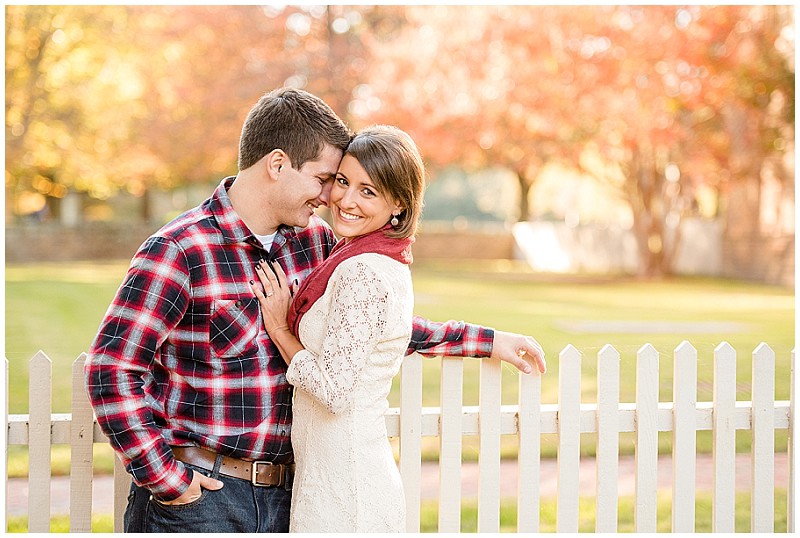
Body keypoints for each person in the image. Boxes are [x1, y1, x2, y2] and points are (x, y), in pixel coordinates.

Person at [84, 87, 545, 534]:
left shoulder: (315, 244)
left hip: (292, 497)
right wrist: (169, 481)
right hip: (204, 503)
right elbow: (112, 368)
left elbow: (367, 332)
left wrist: (486, 341)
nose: (331, 198)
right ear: (278, 165)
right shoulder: (181, 249)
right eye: (326, 179)